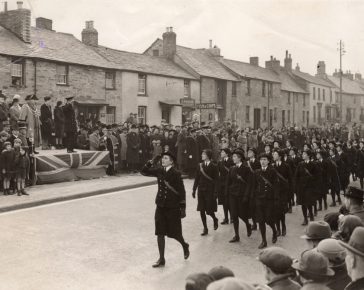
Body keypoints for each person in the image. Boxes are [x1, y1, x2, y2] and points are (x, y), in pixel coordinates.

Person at [140, 152, 189, 268]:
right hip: (160, 205)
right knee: (160, 232)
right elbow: (143, 171)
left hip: (172, 206)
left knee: (175, 233)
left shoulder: (176, 173)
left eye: (166, 158)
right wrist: (152, 161)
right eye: (162, 158)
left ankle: (184, 245)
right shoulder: (159, 170)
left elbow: (182, 191)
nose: (163, 160)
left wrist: (183, 208)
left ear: (171, 161)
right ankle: (161, 259)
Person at [226, 148, 254, 242]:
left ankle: (247, 224)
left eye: (234, 157)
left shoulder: (246, 169)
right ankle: (236, 235)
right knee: (234, 215)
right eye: (233, 156)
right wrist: (227, 193)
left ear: (240, 158)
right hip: (233, 194)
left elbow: (250, 184)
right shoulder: (232, 169)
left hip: (242, 195)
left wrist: (246, 196)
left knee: (242, 214)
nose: (233, 158)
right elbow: (228, 182)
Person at [253, 153, 279, 249]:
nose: (262, 161)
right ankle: (264, 240)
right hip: (259, 199)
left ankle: (274, 231)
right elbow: (254, 185)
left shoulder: (272, 171)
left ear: (268, 161)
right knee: (261, 220)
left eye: (264, 159)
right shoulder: (257, 172)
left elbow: (276, 186)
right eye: (261, 160)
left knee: (268, 219)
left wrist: (276, 199)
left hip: (269, 199)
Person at [192, 149, 219, 236]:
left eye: (203, 154)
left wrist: (215, 192)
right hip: (201, 190)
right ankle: (205, 228)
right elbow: (197, 178)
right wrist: (194, 189)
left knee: (209, 210)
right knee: (201, 209)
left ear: (208, 155)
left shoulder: (214, 166)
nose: (202, 155)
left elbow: (216, 180)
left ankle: (215, 219)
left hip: (209, 191)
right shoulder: (200, 165)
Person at [295, 150, 319, 225]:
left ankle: (311, 214)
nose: (303, 155)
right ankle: (305, 218)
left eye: (304, 154)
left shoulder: (313, 164)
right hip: (301, 187)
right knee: (303, 203)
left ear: (308, 155)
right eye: (302, 154)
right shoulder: (300, 164)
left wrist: (314, 185)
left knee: (309, 202)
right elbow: (296, 176)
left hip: (310, 187)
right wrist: (297, 186)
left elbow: (317, 176)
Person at [272, 149, 291, 237]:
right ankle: (278, 229)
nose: (273, 156)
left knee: (281, 211)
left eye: (275, 154)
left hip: (283, 191)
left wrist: (290, 191)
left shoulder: (286, 166)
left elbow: (290, 179)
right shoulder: (272, 166)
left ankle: (283, 226)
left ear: (279, 156)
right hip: (274, 192)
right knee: (275, 211)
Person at [217, 148, 234, 225]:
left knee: (230, 202)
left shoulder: (232, 161)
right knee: (224, 202)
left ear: (227, 153)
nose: (221, 153)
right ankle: (226, 218)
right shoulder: (220, 162)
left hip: (230, 184)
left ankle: (232, 217)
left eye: (223, 152)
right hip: (222, 184)